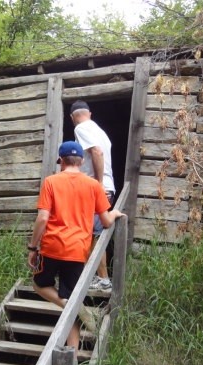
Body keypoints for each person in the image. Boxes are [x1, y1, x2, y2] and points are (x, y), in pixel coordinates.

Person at [27, 141, 126, 354]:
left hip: (51, 247)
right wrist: (115, 214)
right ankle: (72, 347)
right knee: (72, 298)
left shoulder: (51, 182)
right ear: (81, 161)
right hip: (77, 251)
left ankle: (72, 308)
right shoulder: (93, 186)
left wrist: (32, 247)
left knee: (38, 284)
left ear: (61, 161)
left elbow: (42, 218)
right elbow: (106, 222)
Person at [70, 99, 115, 292]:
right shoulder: (100, 131)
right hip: (105, 187)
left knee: (90, 235)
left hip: (97, 188)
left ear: (72, 117)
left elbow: (96, 152)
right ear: (90, 113)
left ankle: (103, 280)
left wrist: (97, 183)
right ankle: (100, 278)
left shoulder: (81, 128)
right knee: (94, 234)